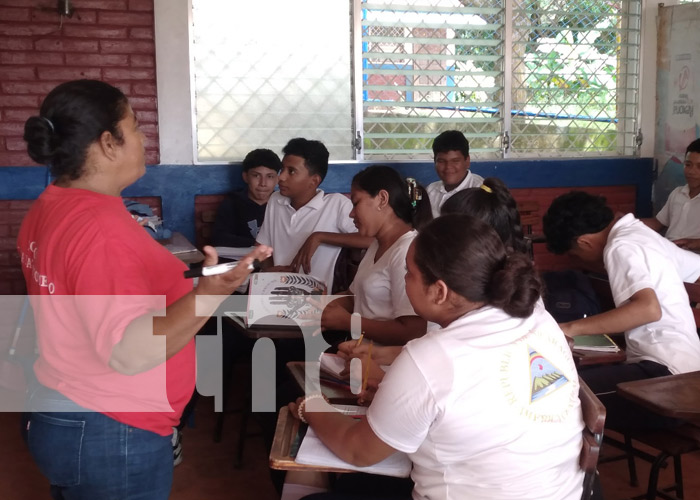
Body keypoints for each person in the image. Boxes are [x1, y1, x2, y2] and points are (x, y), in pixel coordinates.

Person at [17, 79, 272, 499]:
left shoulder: (51, 205)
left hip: (66, 406)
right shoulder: (101, 228)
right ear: (108, 143)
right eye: (135, 126)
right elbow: (129, 352)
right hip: (112, 428)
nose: (144, 137)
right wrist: (212, 293)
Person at [291, 215, 584, 500]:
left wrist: (311, 406)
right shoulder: (538, 317)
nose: (404, 281)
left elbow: (358, 451)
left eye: (409, 273)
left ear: (439, 291)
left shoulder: (430, 357)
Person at [543, 191, 700, 430]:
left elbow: (648, 309)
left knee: (551, 394)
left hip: (663, 378)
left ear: (584, 241)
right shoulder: (640, 234)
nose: (582, 261)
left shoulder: (620, 245)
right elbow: (694, 268)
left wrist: (566, 328)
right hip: (688, 374)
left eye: (576, 255)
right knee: (558, 389)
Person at [339, 176, 527, 374]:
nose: (407, 279)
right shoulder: (480, 297)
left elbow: (439, 360)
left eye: (410, 273)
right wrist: (379, 354)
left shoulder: (486, 318)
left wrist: (380, 380)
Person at [319, 166, 430, 345]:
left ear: (382, 199)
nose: (351, 213)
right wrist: (321, 304)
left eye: (356, 203)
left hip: (386, 366)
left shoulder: (406, 250)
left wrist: (348, 322)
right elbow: (355, 296)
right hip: (362, 356)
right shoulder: (378, 243)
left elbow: (413, 330)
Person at [256, 138, 371, 292]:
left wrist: (319, 237)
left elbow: (371, 240)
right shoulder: (276, 201)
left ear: (313, 181)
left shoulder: (335, 204)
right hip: (278, 293)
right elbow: (263, 246)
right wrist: (269, 273)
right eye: (282, 169)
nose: (281, 177)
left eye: (291, 171)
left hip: (317, 299)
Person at [211, 148, 281, 247]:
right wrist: (258, 245)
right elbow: (220, 238)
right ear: (245, 177)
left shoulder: (283, 203)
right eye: (256, 176)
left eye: (270, 176)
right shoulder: (232, 203)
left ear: (277, 179)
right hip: (240, 260)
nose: (263, 183)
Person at [643, 138, 700, 251]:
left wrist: (695, 243)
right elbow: (658, 223)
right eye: (688, 164)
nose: (691, 171)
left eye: (699, 167)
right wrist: (628, 222)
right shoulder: (677, 193)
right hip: (669, 253)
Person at [425, 130, 483, 218]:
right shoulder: (430, 191)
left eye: (455, 161)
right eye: (441, 161)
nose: (448, 167)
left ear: (467, 161)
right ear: (434, 162)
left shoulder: (480, 190)